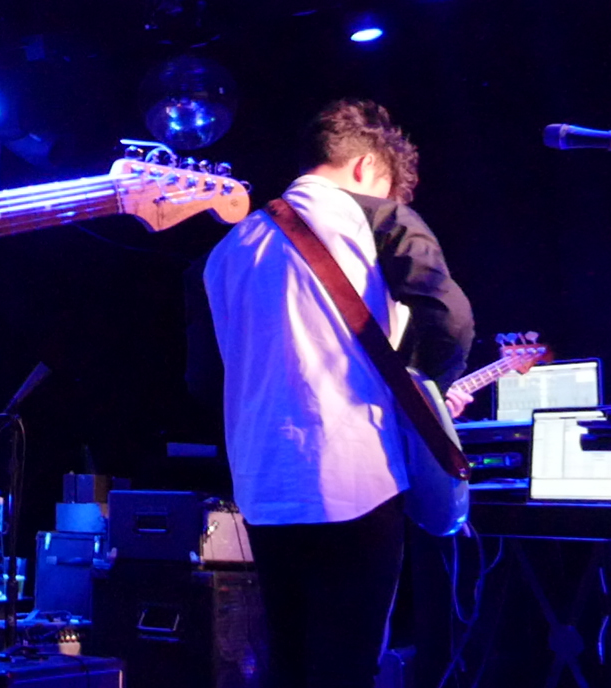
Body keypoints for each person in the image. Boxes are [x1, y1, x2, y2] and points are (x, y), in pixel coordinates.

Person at [202, 99, 475, 688]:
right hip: (355, 477)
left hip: (263, 485)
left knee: (290, 663)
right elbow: (449, 321)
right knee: (348, 666)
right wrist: (428, 389)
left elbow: (203, 375)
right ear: (365, 166)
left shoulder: (224, 253)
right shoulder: (377, 218)